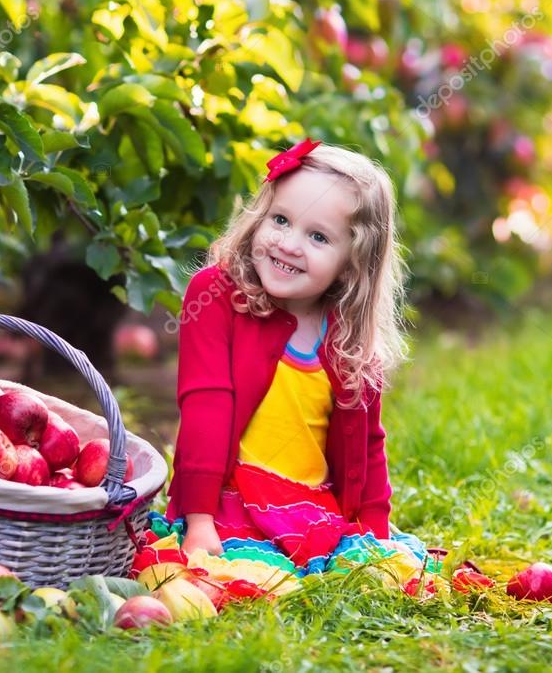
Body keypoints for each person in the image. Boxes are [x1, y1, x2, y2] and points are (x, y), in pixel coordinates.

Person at [152, 138, 429, 578]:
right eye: (280, 220)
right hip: (230, 497)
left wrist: (374, 530)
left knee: (373, 570)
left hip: (307, 506)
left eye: (318, 236)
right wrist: (200, 522)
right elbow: (205, 407)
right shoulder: (218, 295)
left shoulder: (347, 333)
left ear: (352, 264)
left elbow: (367, 443)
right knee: (239, 574)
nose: (288, 244)